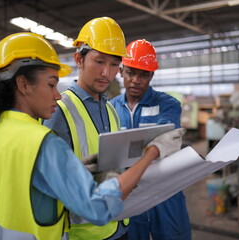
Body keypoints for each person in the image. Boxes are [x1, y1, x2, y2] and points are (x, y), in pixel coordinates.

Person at [0, 32, 185, 240]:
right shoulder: (42, 141)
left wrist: (70, 172)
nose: (57, 95)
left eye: (115, 64)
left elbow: (21, 191)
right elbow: (97, 207)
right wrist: (151, 152)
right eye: (52, 84)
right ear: (23, 84)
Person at [43, 16, 133, 240]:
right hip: (85, 233)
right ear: (79, 59)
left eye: (114, 64)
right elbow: (53, 184)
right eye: (100, 61)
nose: (107, 73)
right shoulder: (59, 111)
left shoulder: (111, 109)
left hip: (119, 224)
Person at [110, 39, 192, 240]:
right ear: (121, 71)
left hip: (165, 191)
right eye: (131, 73)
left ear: (151, 75)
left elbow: (166, 135)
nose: (136, 80)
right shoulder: (110, 108)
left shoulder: (167, 104)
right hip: (130, 192)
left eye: (143, 75)